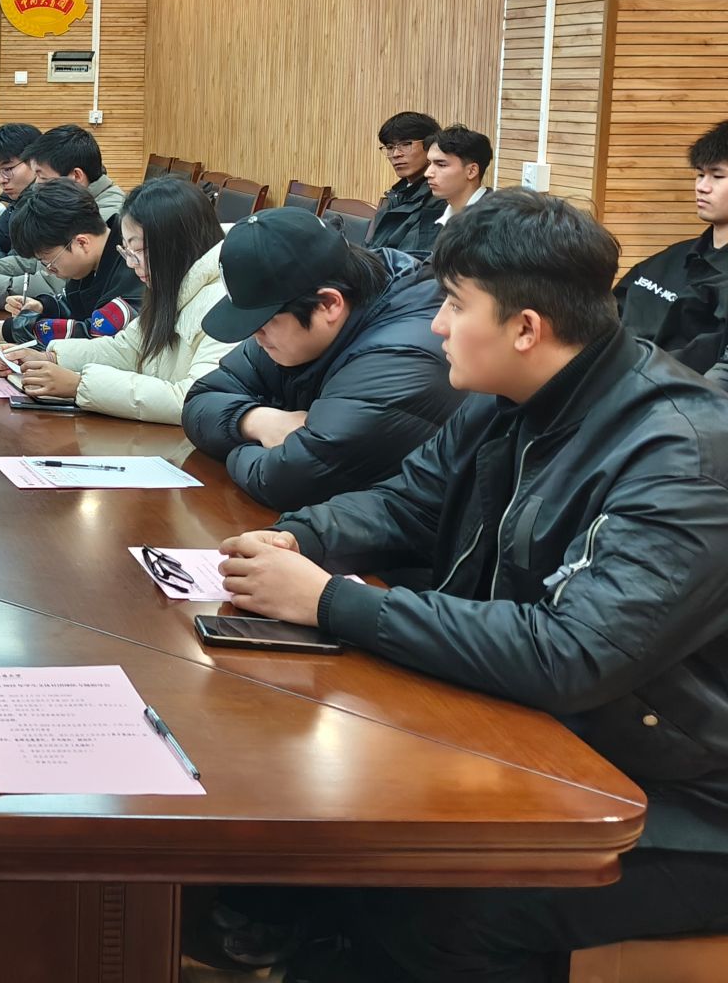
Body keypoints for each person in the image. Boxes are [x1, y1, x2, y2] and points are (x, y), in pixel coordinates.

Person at [217, 190, 728, 982]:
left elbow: (573, 653)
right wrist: (300, 539)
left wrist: (327, 601)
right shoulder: (505, 399)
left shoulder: (679, 454)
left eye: (455, 305)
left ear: (526, 328)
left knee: (445, 904)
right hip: (547, 732)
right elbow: (407, 503)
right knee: (313, 804)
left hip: (683, 794)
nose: (436, 325)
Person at [183, 207, 461, 514]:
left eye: (263, 321)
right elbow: (200, 400)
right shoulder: (298, 321)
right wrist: (256, 421)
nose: (255, 334)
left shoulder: (403, 356)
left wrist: (234, 449)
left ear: (329, 303)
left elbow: (286, 479)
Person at [15, 177, 229, 423]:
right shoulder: (173, 286)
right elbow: (127, 349)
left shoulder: (224, 302)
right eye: (126, 250)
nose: (130, 263)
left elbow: (193, 399)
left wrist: (80, 385)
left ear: (176, 244)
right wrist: (52, 357)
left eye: (138, 251)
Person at [0, 126, 126, 307]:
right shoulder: (65, 205)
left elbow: (52, 283)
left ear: (76, 176)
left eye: (42, 177)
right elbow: (32, 262)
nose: (35, 185)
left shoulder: (107, 215)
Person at [616, 117, 728, 384]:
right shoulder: (669, 259)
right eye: (699, 174)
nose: (702, 186)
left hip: (675, 402)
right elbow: (605, 316)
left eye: (717, 176)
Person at [0, 178, 143, 347]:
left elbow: (96, 333)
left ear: (81, 243)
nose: (49, 270)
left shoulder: (136, 267)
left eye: (50, 262)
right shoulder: (94, 261)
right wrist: (44, 307)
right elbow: (77, 307)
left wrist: (17, 330)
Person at [366, 109, 445, 254]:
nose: (396, 154)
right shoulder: (397, 195)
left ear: (431, 146)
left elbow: (413, 261)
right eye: (390, 147)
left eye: (406, 144)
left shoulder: (439, 199)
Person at [425, 123, 492, 232]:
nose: (427, 173)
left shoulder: (495, 222)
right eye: (429, 163)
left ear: (471, 171)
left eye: (441, 165)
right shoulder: (434, 212)